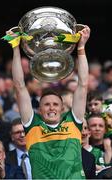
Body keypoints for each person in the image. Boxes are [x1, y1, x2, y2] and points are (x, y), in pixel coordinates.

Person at [7, 25, 90, 179]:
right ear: (39, 109)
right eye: (46, 104)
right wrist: (15, 47)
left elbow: (83, 84)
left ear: (62, 108)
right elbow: (19, 86)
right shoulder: (33, 125)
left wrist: (81, 47)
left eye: (55, 104)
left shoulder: (73, 122)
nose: (51, 108)